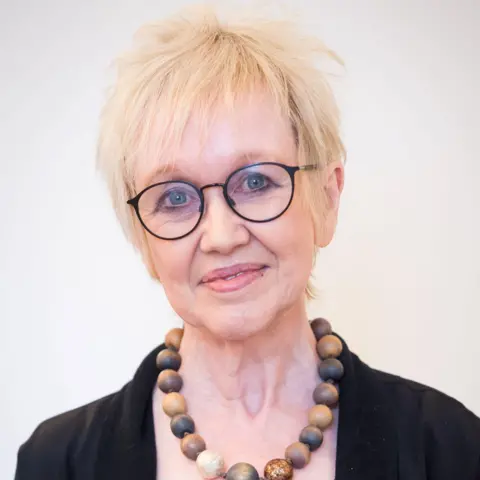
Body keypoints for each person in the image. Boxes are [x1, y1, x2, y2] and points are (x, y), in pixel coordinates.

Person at [14, 6, 480, 480]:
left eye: (256, 183)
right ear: (142, 237)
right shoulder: (55, 462)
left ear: (327, 196)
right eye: (174, 197)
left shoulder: (452, 449)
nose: (221, 236)